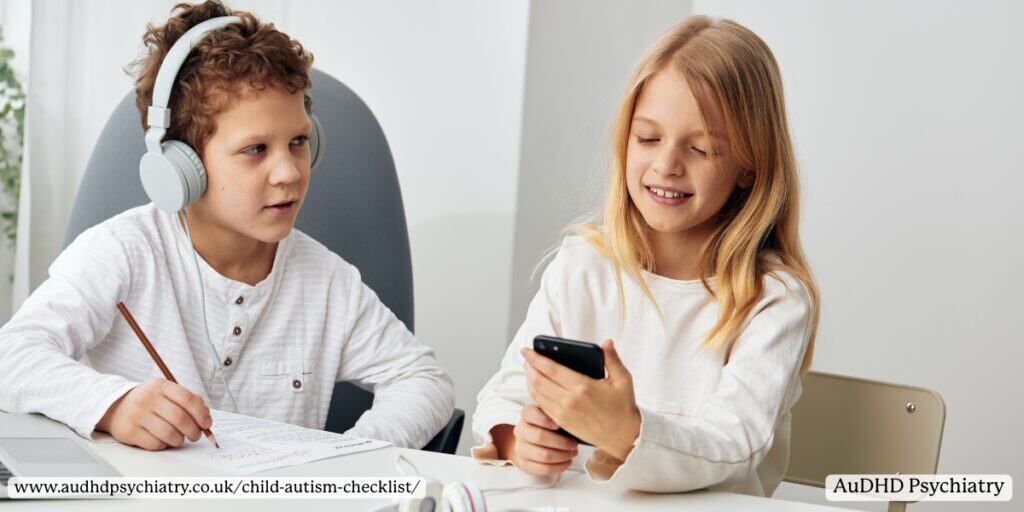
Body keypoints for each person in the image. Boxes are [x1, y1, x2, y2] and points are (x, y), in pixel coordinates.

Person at [0, 0, 453, 451]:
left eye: (298, 142)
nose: (290, 172)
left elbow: (423, 380)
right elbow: (11, 358)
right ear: (181, 166)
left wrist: (348, 457)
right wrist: (114, 404)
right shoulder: (122, 252)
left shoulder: (328, 282)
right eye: (256, 149)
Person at [472, 15, 819, 496]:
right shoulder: (584, 265)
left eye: (700, 149)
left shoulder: (773, 299)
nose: (666, 165)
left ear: (749, 166)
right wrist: (517, 438)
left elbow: (733, 443)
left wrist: (627, 433)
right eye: (648, 138)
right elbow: (505, 394)